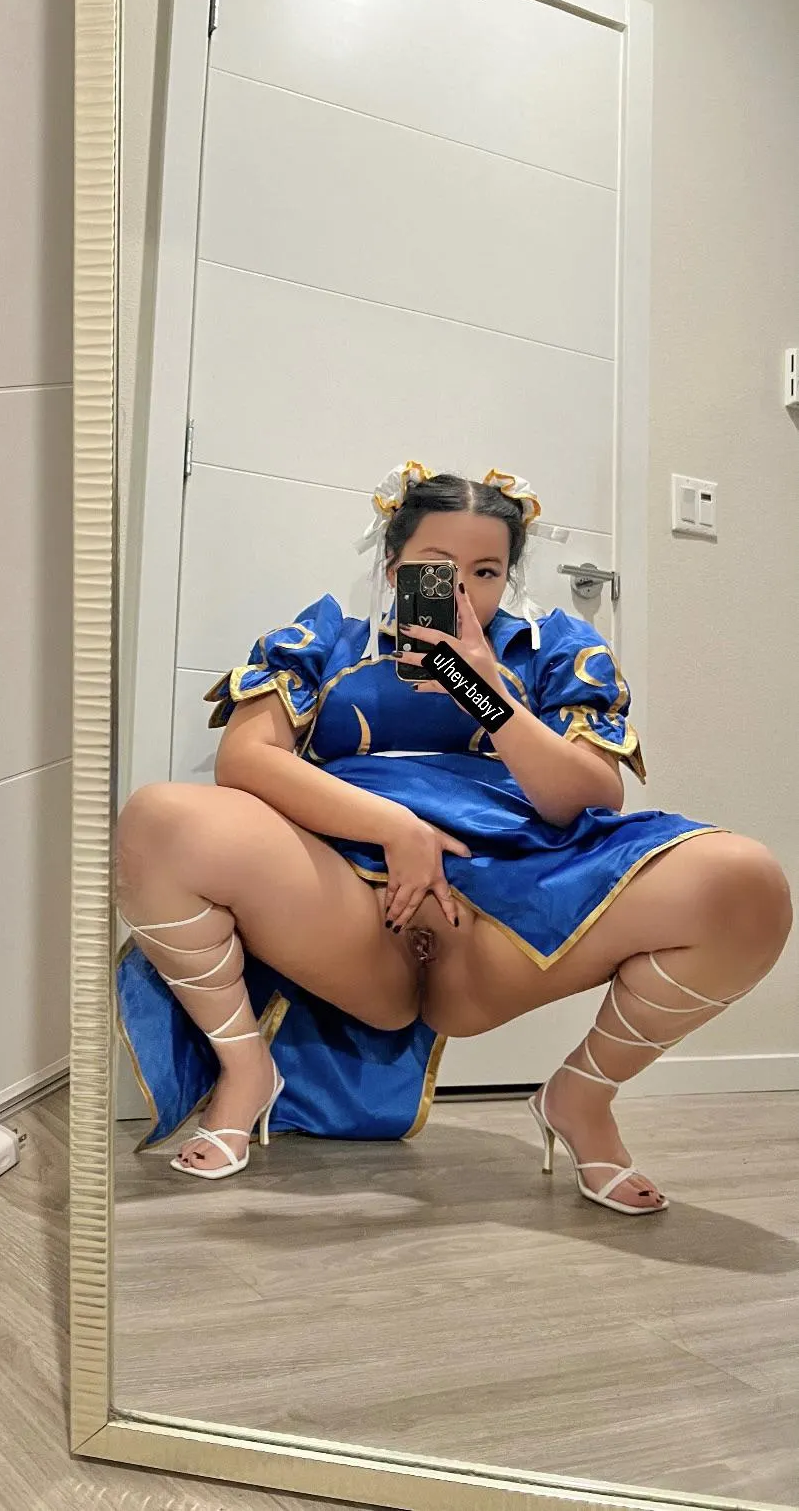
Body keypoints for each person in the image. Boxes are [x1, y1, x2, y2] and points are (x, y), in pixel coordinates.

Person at [115, 464, 792, 1214]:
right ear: (393, 566)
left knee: (742, 880)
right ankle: (246, 1071)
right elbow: (246, 760)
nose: (463, 592)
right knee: (159, 818)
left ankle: (582, 1096)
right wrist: (395, 827)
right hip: (347, 910)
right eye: (436, 569)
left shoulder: (553, 650)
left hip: (510, 914)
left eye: (486, 571)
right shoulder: (326, 638)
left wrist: (481, 687)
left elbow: (588, 798)